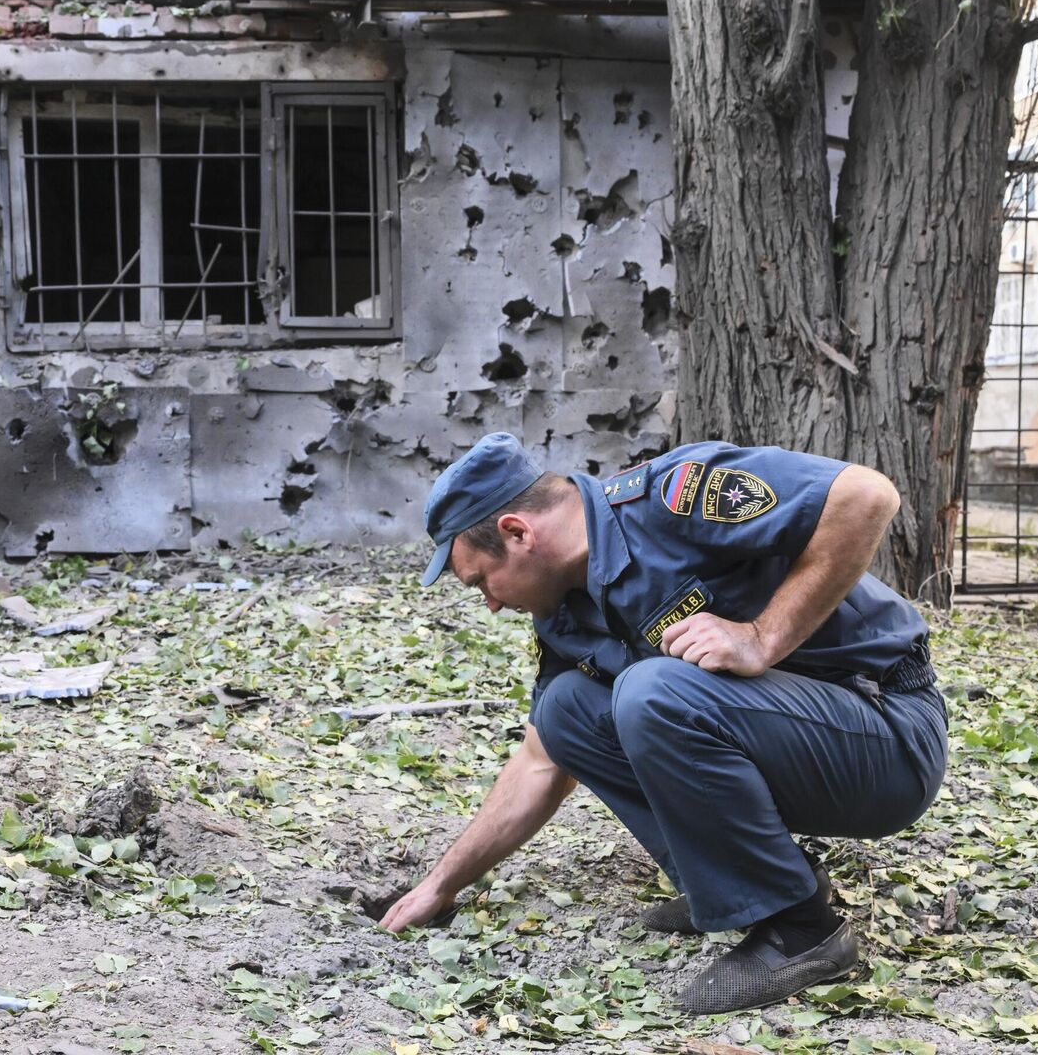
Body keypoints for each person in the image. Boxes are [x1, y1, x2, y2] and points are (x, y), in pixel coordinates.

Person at [376, 432, 947, 1015]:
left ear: (518, 533)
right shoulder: (565, 612)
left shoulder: (673, 497)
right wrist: (441, 884)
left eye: (480, 584)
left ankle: (804, 933)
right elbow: (540, 761)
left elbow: (866, 496)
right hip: (799, 746)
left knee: (653, 691)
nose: (491, 604)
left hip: (886, 735)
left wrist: (762, 637)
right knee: (566, 710)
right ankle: (748, 883)